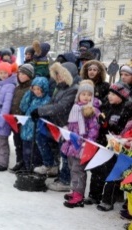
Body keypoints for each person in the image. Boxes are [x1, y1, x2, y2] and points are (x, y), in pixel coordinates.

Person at [31, 62, 78, 191]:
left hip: (67, 127)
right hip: (56, 125)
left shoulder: (73, 89)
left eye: (61, 75)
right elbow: (52, 103)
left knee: (65, 154)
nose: (58, 77)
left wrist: (40, 111)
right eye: (56, 75)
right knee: (42, 138)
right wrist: (39, 110)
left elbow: (60, 107)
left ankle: (65, 181)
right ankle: (50, 166)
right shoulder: (60, 89)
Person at [87, 82, 132, 211]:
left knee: (113, 173)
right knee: (97, 169)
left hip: (118, 147)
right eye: (109, 93)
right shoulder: (107, 106)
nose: (110, 96)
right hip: (103, 143)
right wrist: (100, 124)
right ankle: (94, 195)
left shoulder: (127, 109)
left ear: (121, 96)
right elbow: (101, 124)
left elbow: (124, 129)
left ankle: (108, 200)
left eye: (113, 94)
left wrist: (108, 125)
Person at [61, 80, 100, 208]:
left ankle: (79, 196)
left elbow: (94, 129)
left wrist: (87, 143)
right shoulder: (76, 108)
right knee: (73, 168)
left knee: (78, 171)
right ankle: (75, 190)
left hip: (82, 145)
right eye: (84, 94)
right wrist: (67, 130)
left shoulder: (91, 111)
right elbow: (73, 125)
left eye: (89, 94)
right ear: (79, 95)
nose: (86, 97)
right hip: (72, 143)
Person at [19, 77, 51, 170]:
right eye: (34, 89)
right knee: (26, 153)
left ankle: (34, 172)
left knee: (36, 155)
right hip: (27, 131)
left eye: (39, 89)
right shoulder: (32, 98)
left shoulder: (47, 101)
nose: (36, 91)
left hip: (37, 133)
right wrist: (28, 93)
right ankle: (27, 168)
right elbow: (23, 107)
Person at [9, 64, 34, 172]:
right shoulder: (17, 88)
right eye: (20, 73)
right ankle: (19, 161)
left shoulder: (31, 88)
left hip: (25, 121)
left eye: (24, 74)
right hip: (15, 120)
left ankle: (26, 164)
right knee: (17, 142)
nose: (21, 76)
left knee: (25, 144)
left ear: (30, 76)